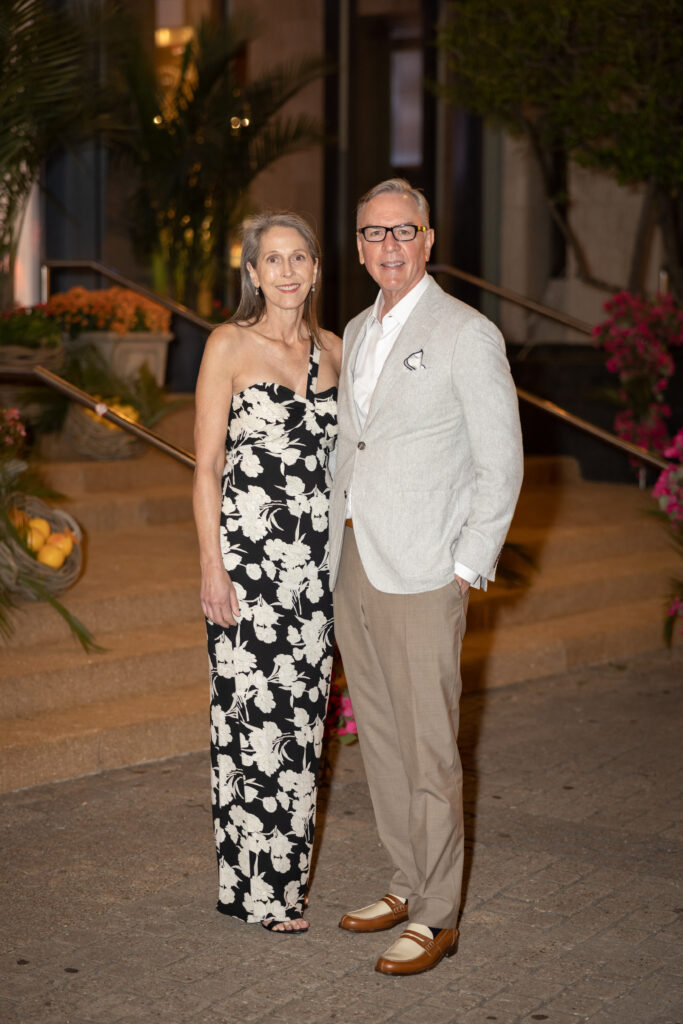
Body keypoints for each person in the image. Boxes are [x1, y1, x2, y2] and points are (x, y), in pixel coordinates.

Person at [329, 179, 523, 975]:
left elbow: (500, 460)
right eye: (373, 233)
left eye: (402, 231)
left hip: (422, 569)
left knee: (430, 748)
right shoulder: (354, 329)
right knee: (378, 735)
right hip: (354, 556)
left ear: (428, 240)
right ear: (358, 247)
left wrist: (466, 563)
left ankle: (438, 914)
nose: (389, 246)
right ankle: (407, 880)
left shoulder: (465, 332)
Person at [193, 212, 341, 934]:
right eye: (272, 260)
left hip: (316, 569)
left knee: (301, 724)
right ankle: (254, 889)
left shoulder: (337, 351)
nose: (286, 271)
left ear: (315, 268)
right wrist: (211, 568)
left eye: (298, 258)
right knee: (249, 720)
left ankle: (283, 881)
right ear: (251, 272)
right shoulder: (227, 344)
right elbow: (206, 468)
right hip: (247, 566)